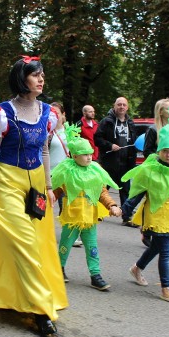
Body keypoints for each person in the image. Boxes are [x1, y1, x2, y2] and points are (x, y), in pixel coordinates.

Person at [0, 56, 68, 336]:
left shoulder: (48, 113)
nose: (41, 79)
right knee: (25, 244)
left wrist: (50, 187)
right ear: (21, 79)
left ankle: (13, 298)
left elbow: (43, 151)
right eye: (34, 75)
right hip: (7, 183)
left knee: (38, 246)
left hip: (36, 185)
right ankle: (41, 310)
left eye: (42, 74)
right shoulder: (1, 113)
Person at [124, 105, 169, 303]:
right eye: (165, 151)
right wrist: (125, 210)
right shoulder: (150, 169)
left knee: (156, 246)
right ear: (159, 150)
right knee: (165, 250)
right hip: (155, 212)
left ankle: (137, 268)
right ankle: (167, 288)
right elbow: (137, 192)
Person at [52, 123, 122, 290]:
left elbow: (102, 192)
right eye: (84, 154)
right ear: (74, 156)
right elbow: (55, 190)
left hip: (90, 217)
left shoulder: (95, 170)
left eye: (90, 153)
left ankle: (95, 274)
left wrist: (112, 205)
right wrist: (44, 203)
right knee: (65, 245)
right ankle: (59, 268)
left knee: (92, 246)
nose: (89, 157)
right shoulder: (66, 171)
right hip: (72, 217)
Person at [122, 98, 169, 254]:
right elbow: (147, 151)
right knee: (152, 200)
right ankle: (150, 231)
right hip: (156, 170)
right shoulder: (153, 129)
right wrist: (160, 158)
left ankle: (165, 236)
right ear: (161, 112)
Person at [94, 97, 137, 207]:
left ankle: (126, 217)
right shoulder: (106, 121)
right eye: (119, 104)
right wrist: (110, 145)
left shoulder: (131, 123)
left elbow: (134, 143)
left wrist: (132, 161)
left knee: (126, 191)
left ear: (127, 107)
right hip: (108, 163)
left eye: (124, 105)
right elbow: (97, 139)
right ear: (114, 106)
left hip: (125, 164)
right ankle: (98, 213)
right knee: (103, 189)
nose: (121, 106)